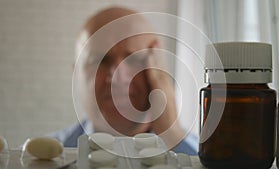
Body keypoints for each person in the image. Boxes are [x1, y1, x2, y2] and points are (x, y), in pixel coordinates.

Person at [51, 6, 198, 155]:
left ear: (159, 69)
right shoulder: (36, 160)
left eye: (135, 59)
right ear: (76, 74)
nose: (117, 78)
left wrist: (171, 135)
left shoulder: (207, 158)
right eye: (100, 61)